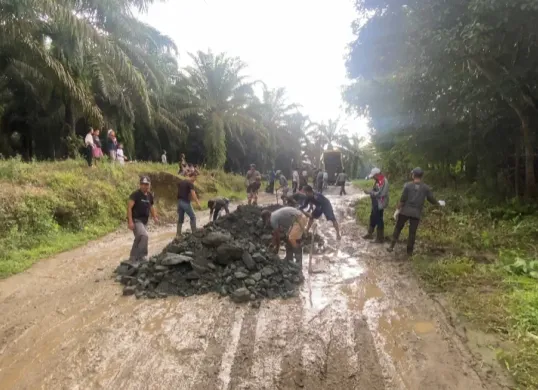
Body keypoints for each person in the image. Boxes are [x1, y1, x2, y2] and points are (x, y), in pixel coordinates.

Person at [387, 167, 445, 256]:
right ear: (421, 176)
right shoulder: (425, 188)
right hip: (416, 213)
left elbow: (402, 200)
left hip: (405, 211)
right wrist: (438, 204)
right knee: (412, 233)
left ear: (413, 175)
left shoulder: (407, 185)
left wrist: (397, 210)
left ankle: (391, 246)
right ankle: (409, 253)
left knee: (398, 227)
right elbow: (431, 199)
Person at [127, 176, 158, 263]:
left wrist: (154, 216)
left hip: (144, 221)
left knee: (139, 237)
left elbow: (151, 206)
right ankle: (142, 256)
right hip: (136, 220)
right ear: (140, 185)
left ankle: (133, 257)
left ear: (149, 185)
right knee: (144, 236)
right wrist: (130, 221)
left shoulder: (149, 195)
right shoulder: (135, 194)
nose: (145, 186)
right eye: (143, 184)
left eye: (147, 184)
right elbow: (129, 207)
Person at [363, 167, 389, 243]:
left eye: (373, 176)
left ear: (377, 174)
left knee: (378, 219)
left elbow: (380, 193)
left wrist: (370, 192)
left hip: (380, 202)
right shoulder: (378, 180)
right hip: (376, 202)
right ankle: (370, 233)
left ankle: (380, 238)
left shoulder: (383, 181)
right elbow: (376, 190)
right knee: (373, 217)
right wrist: (371, 190)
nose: (373, 178)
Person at [177, 172, 201, 237]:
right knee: (193, 217)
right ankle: (194, 233)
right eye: (195, 178)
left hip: (179, 202)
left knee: (180, 218)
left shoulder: (181, 182)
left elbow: (181, 191)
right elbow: (193, 194)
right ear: (193, 176)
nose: (195, 179)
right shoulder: (190, 183)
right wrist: (198, 203)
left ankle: (178, 234)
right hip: (185, 202)